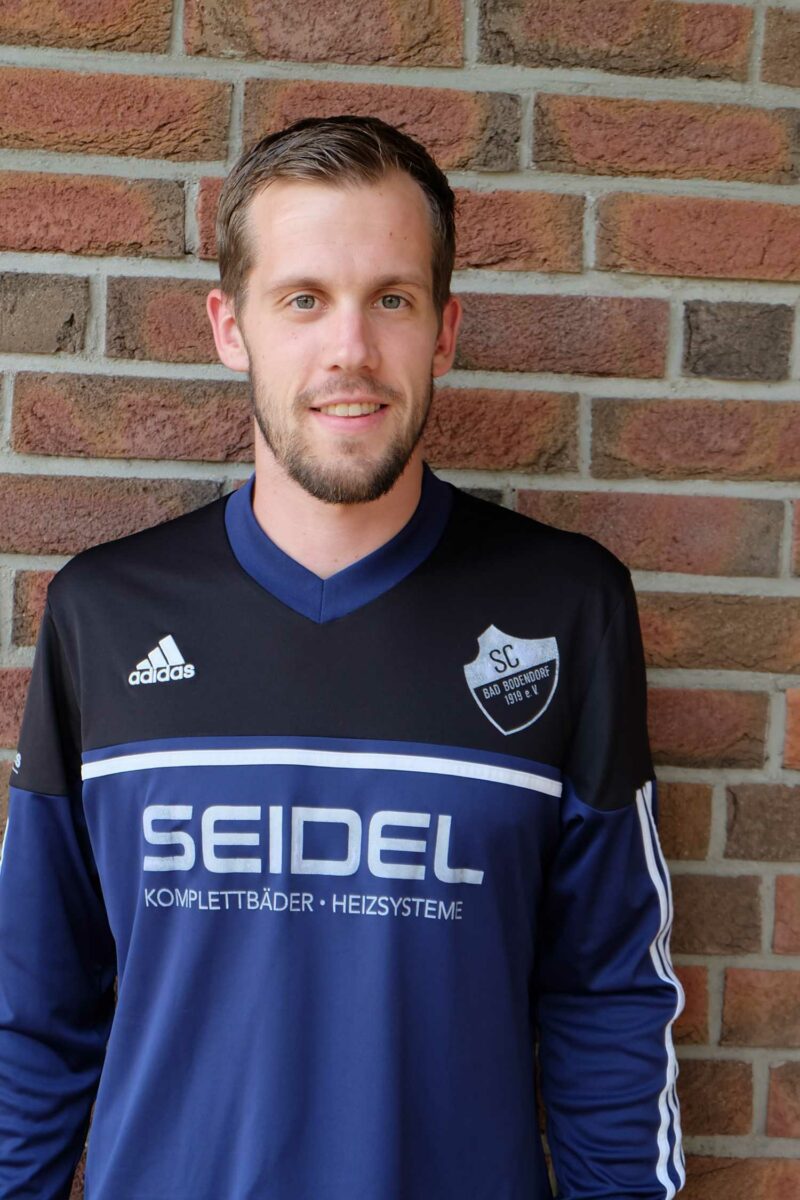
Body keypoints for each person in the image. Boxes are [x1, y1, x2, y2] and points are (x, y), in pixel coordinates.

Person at [0, 114, 685, 1199]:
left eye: (392, 300)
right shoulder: (107, 614)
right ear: (230, 327)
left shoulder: (563, 609)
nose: (350, 351)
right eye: (303, 299)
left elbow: (606, 994)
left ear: (444, 332)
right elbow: (32, 1008)